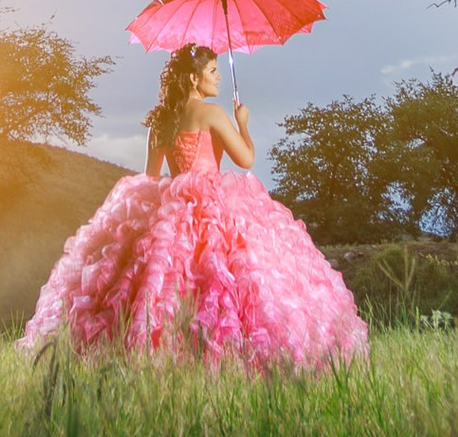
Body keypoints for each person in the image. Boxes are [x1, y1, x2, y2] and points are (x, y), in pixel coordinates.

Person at [21, 42, 368, 367]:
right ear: (193, 77)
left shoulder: (160, 121)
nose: (218, 77)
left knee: (167, 284)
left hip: (171, 211)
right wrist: (244, 125)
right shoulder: (213, 114)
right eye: (213, 70)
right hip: (214, 208)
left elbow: (150, 178)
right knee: (222, 277)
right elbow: (245, 159)